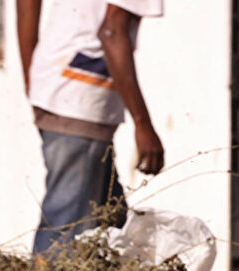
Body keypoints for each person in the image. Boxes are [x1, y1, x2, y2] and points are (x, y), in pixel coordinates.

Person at [17, 0, 165, 254]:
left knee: (111, 222)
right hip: (78, 100)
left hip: (60, 90)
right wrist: (143, 125)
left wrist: (34, 77)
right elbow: (112, 32)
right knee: (64, 236)